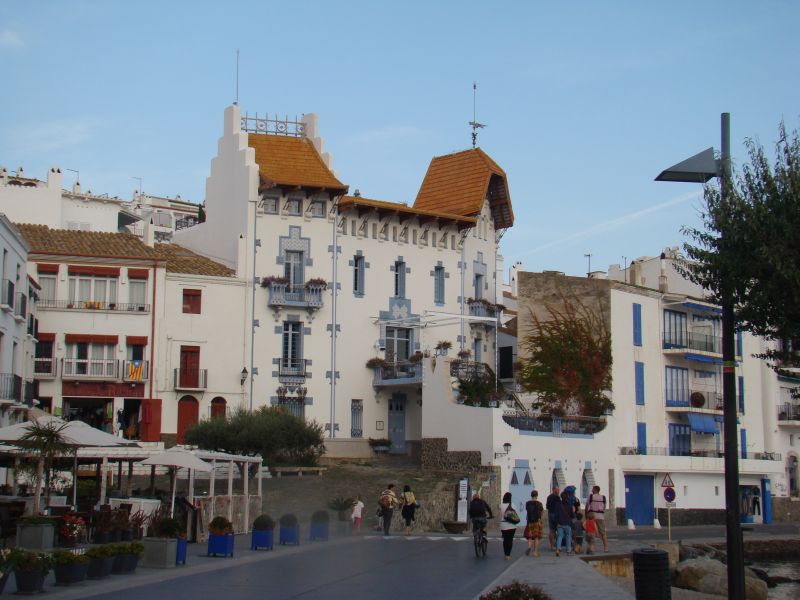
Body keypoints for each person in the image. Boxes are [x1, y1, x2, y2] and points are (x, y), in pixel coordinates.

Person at [585, 485, 608, 552]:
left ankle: (590, 548)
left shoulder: (591, 496)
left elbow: (587, 506)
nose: (591, 490)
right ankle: (606, 548)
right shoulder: (603, 497)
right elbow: (604, 508)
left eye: (592, 489)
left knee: (590, 532)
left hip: (591, 516)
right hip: (600, 516)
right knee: (603, 533)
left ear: (595, 490)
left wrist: (586, 516)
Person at [523, 490, 543, 557]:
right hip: (537, 522)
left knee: (529, 537)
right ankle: (535, 552)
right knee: (536, 537)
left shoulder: (527, 503)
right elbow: (541, 512)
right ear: (537, 496)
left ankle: (529, 547)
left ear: (531, 495)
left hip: (529, 522)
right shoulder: (539, 503)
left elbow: (527, 511)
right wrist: (540, 518)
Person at [554, 490, 574, 556]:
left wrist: (557, 522)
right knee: (568, 536)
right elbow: (572, 515)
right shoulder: (569, 505)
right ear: (567, 497)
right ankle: (568, 551)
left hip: (560, 523)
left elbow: (556, 515)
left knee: (560, 536)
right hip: (567, 523)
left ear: (561, 497)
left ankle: (558, 549)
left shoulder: (557, 505)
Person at [500, 491, 518, 561]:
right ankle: (508, 555)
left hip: (503, 525)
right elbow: (515, 514)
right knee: (510, 540)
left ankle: (505, 554)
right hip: (511, 525)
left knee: (505, 540)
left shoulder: (501, 505)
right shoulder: (513, 505)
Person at [545, 485, 560, 551]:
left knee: (552, 530)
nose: (558, 491)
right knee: (558, 530)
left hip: (550, 513)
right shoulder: (557, 497)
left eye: (558, 489)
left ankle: (551, 546)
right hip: (555, 514)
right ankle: (557, 545)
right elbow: (559, 507)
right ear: (553, 490)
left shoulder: (549, 497)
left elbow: (547, 506)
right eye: (557, 490)